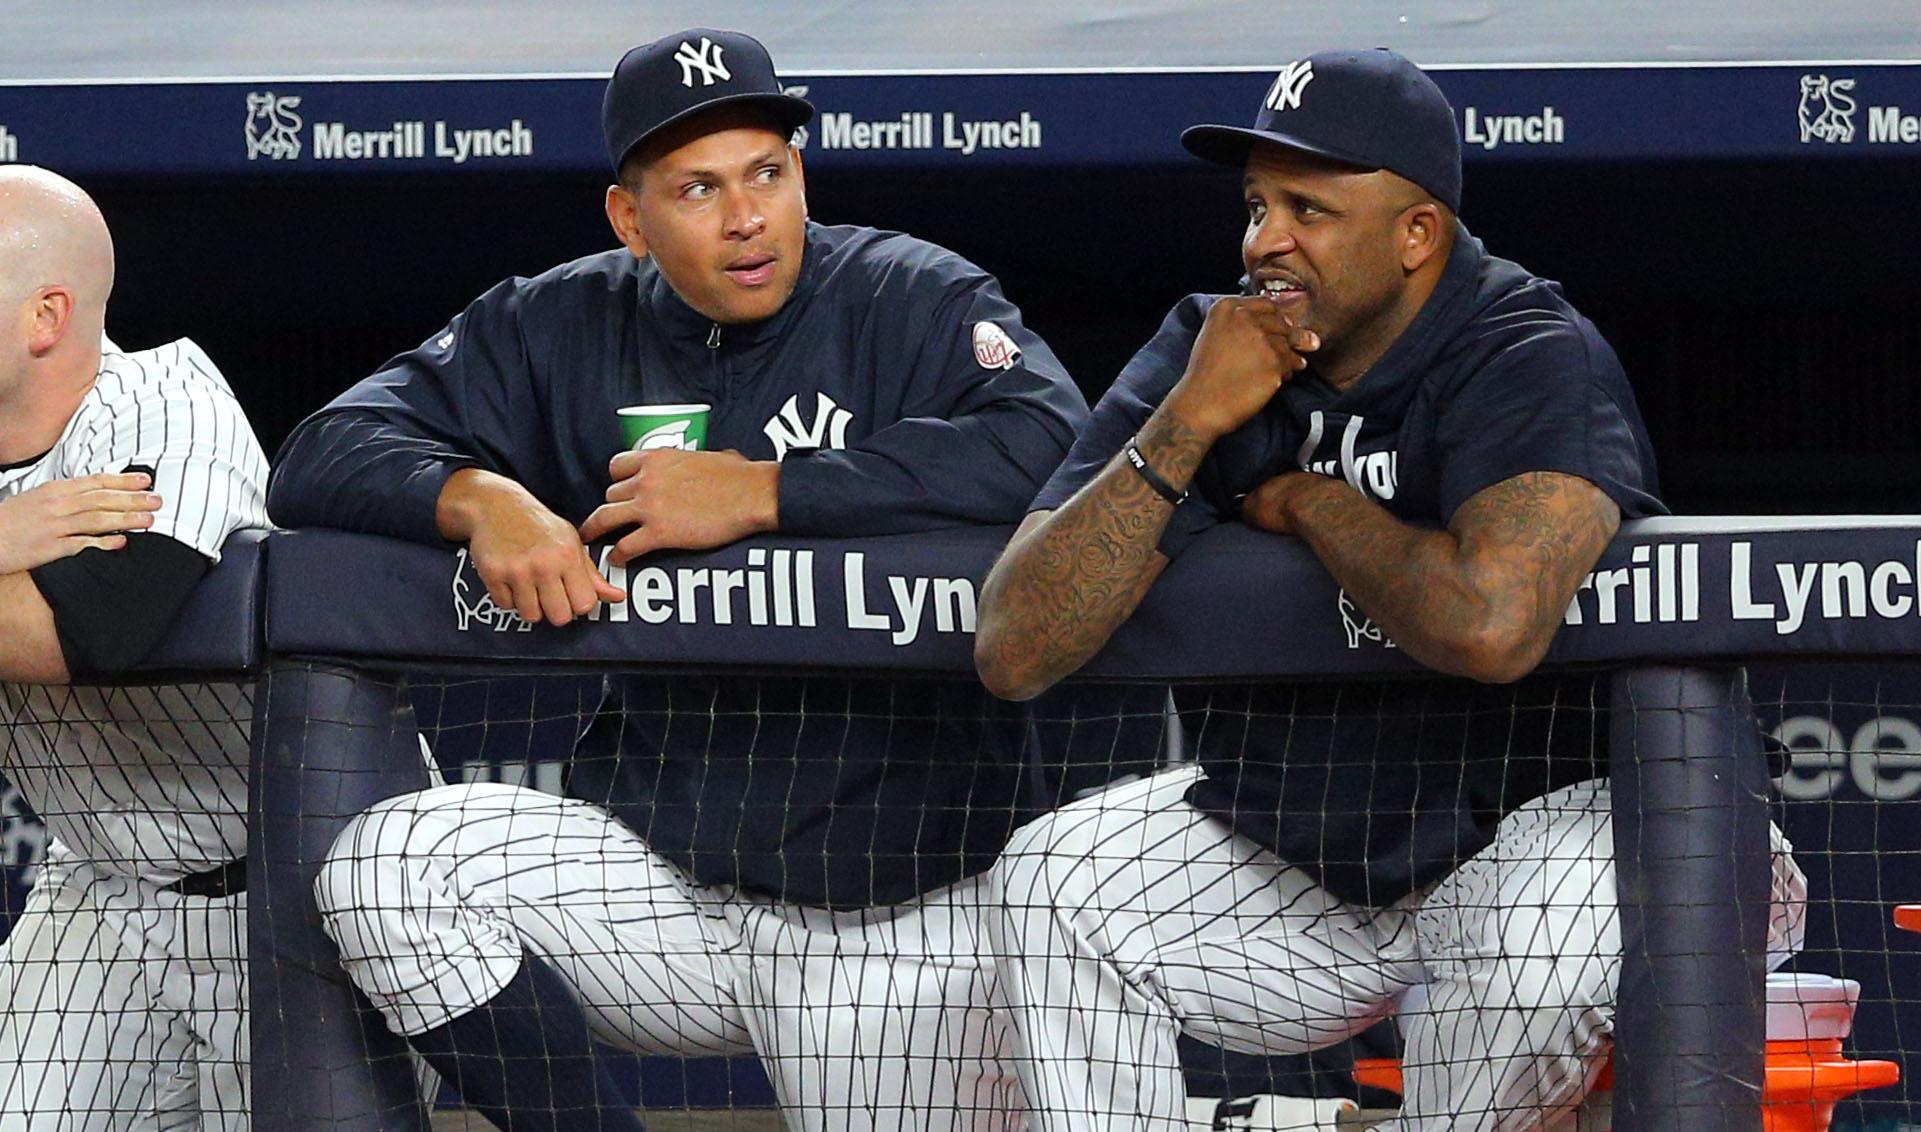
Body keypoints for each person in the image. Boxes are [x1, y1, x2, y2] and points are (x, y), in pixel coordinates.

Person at [266, 28, 1088, 1132]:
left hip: (891, 919)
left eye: (768, 173)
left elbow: (1053, 443)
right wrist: (477, 496)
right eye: (697, 188)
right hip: (657, 890)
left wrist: (768, 492)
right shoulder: (558, 321)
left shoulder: (906, 296)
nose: (746, 216)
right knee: (387, 866)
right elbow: (322, 450)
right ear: (630, 219)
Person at [973, 49, 1806, 1131]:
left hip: (1570, 836)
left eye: (1308, 208)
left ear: (1417, 235)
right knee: (1056, 880)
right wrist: (1184, 425)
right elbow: (1015, 646)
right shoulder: (1209, 348)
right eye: (1256, 204)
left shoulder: (1522, 346)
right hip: (1315, 847)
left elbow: (1490, 623)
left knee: (1534, 949)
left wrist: (1311, 504)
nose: (1263, 240)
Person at [0, 166, 268, 1130]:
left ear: (45, 317)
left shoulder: (162, 401)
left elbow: (95, 626)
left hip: (286, 881)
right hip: (102, 881)